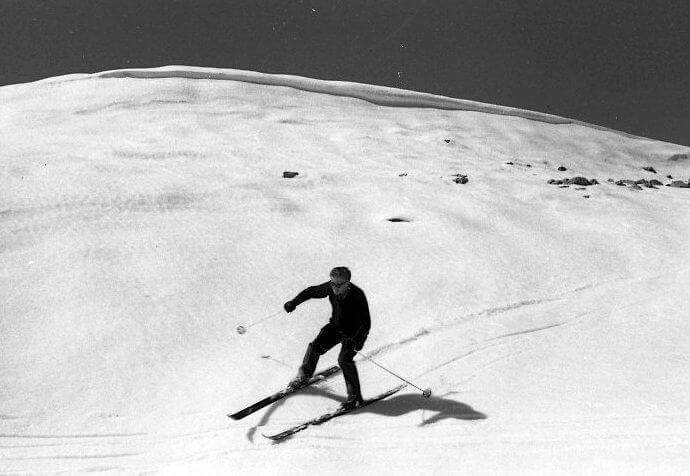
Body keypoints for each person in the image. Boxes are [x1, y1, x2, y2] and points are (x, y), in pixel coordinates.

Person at [283, 266, 371, 410]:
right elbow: (312, 291)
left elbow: (366, 323)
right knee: (314, 347)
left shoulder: (357, 296)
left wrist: (355, 340)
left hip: (354, 333)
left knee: (344, 360)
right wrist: (294, 302)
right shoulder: (331, 287)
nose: (334, 287)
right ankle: (303, 376)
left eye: (338, 285)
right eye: (332, 283)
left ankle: (355, 398)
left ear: (347, 283)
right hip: (336, 327)